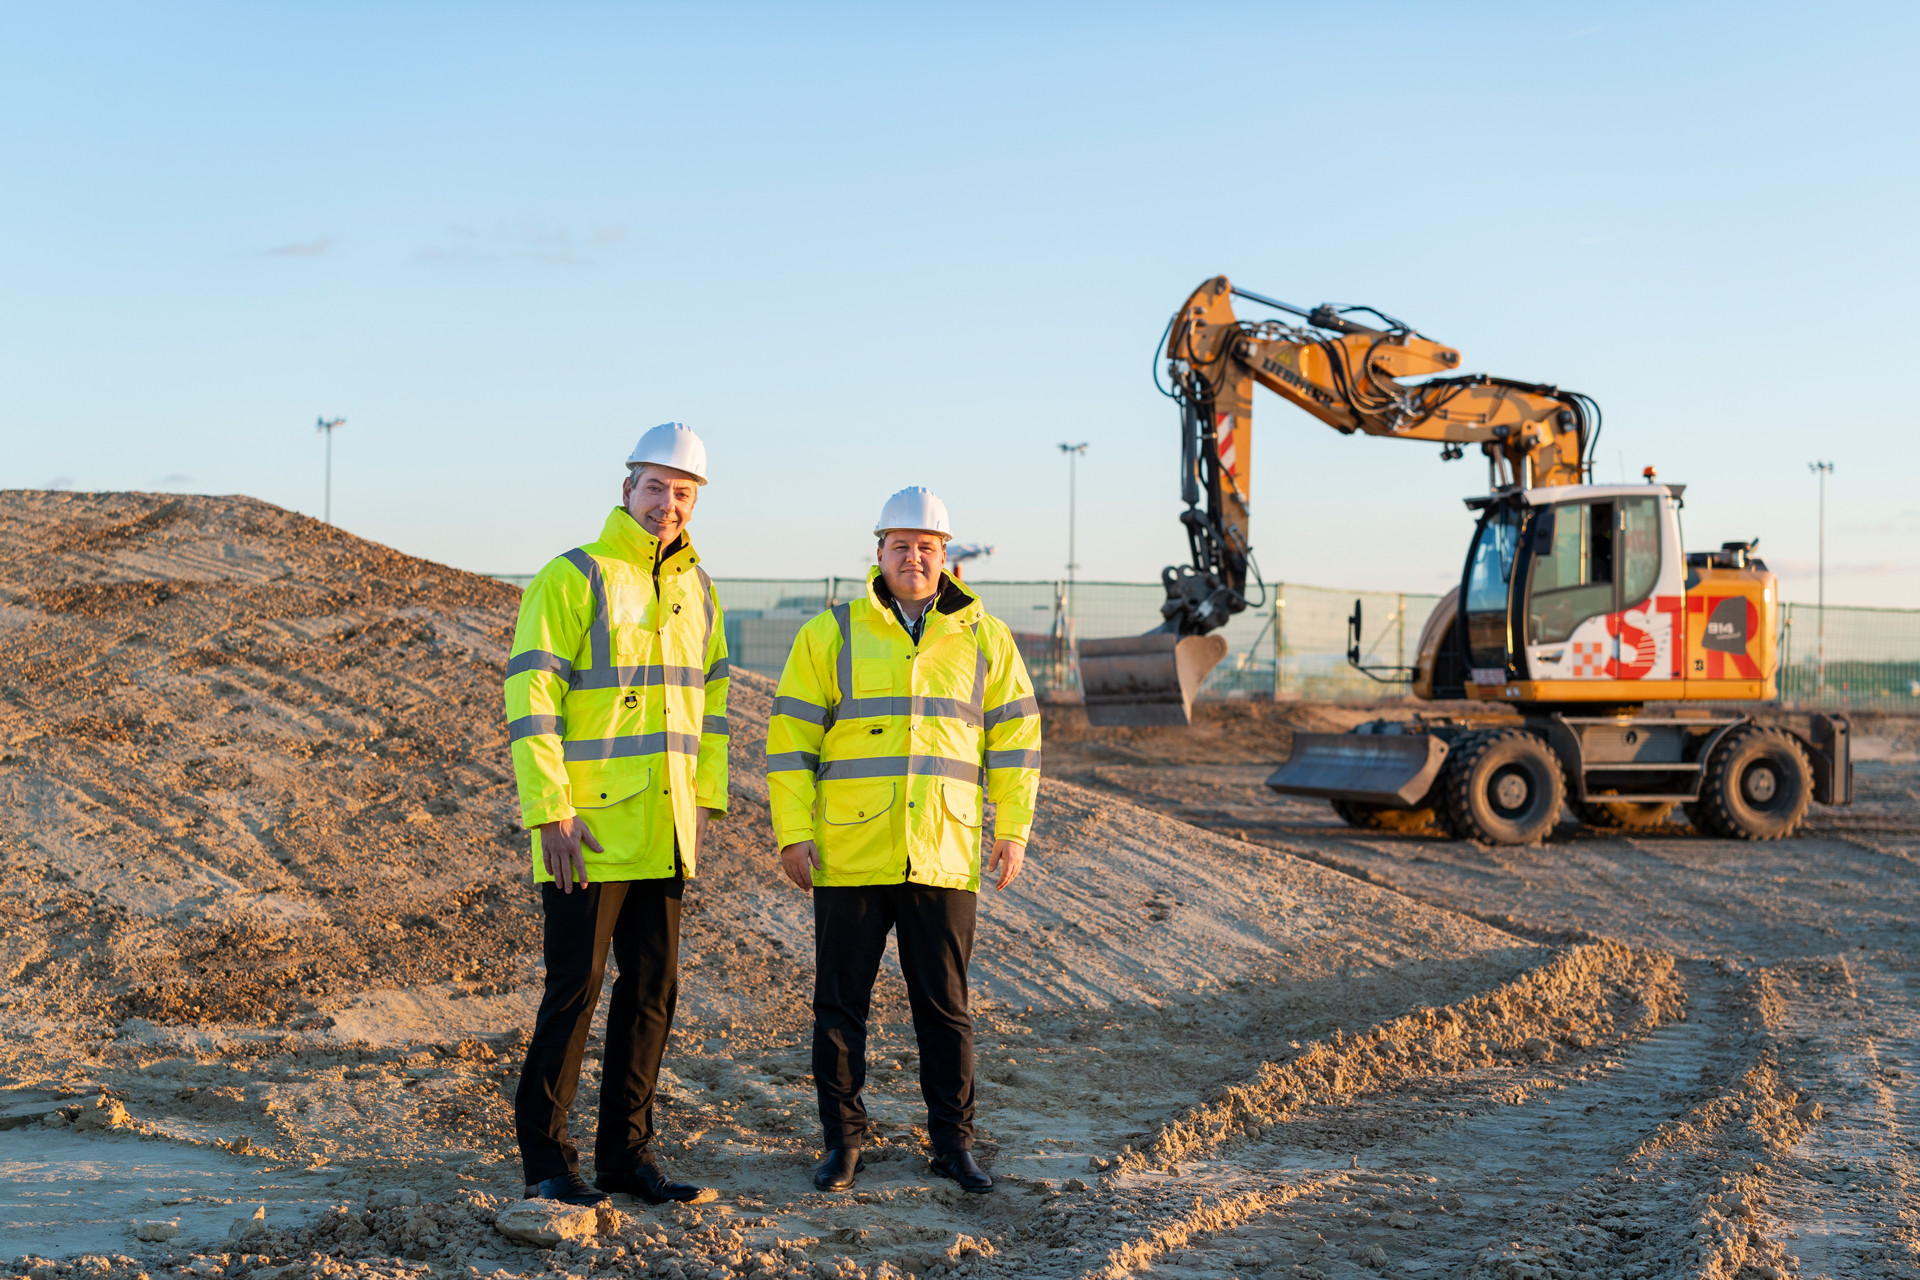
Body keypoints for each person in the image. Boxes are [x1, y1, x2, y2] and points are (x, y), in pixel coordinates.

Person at [765, 486, 1041, 1194]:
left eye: (926, 547)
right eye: (900, 547)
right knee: (839, 1009)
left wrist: (1011, 829)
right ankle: (843, 1145)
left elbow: (1015, 743)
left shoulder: (985, 637)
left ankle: (953, 1146)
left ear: (945, 556)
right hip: (851, 852)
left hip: (943, 853)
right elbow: (791, 739)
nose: (913, 558)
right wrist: (793, 834)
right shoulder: (831, 633)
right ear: (878, 553)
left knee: (945, 1011)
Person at [502, 422, 730, 1206]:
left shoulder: (699, 589)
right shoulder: (575, 576)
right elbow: (530, 698)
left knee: (653, 991)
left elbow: (715, 702)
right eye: (658, 487)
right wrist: (549, 810)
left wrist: (705, 801)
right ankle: (545, 1159)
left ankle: (624, 1156)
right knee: (577, 987)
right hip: (587, 831)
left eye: (685, 493)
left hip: (665, 827)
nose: (670, 504)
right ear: (626, 486)